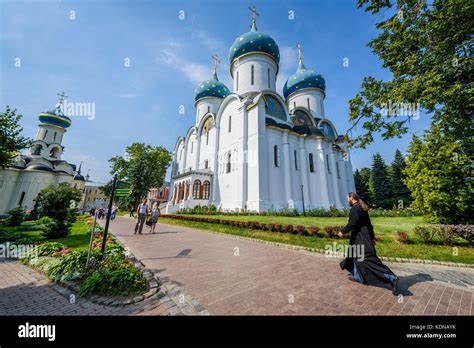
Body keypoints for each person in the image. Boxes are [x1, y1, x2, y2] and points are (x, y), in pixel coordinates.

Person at [338, 192, 399, 295]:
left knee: (368, 260)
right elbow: (369, 225)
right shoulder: (362, 207)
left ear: (352, 198)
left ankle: (391, 278)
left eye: (347, 198)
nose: (347, 200)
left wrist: (342, 231)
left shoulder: (355, 208)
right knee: (356, 257)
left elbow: (352, 223)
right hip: (363, 238)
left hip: (360, 239)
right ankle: (358, 276)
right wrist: (372, 238)